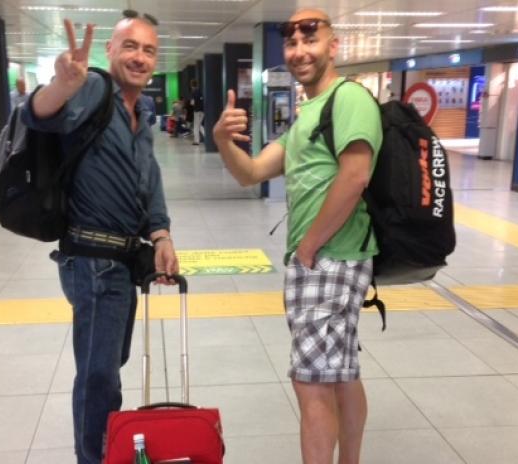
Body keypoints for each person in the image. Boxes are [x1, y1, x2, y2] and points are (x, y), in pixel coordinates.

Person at [212, 8, 382, 464]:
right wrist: (223, 140)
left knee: (311, 383)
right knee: (340, 373)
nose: (300, 50)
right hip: (328, 258)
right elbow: (251, 173)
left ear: (334, 46)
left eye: (311, 38)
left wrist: (308, 247)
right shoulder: (309, 115)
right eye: (291, 42)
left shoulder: (348, 98)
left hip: (330, 257)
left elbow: (356, 176)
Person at [21, 16, 178, 464]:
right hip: (92, 261)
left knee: (107, 368)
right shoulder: (92, 89)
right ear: (110, 49)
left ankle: (106, 448)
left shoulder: (140, 109)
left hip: (120, 261)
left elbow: (148, 176)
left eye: (148, 50)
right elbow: (38, 113)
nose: (139, 57)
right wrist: (61, 86)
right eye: (130, 46)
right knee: (97, 377)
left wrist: (160, 233)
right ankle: (94, 458)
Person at [190, 79, 203, 145]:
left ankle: (196, 141)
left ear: (191, 85)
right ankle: (208, 137)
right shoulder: (200, 91)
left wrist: (192, 103)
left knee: (196, 126)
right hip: (202, 110)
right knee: (199, 125)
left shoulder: (193, 92)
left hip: (196, 111)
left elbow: (192, 103)